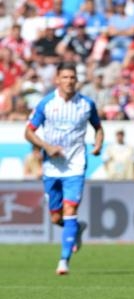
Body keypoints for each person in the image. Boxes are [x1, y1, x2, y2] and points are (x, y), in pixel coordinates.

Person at [24, 61, 104, 275]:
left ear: (76, 80)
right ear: (57, 79)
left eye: (72, 77)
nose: (69, 81)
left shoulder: (86, 104)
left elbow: (98, 128)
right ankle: (76, 229)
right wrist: (47, 147)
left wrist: (98, 144)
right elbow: (29, 132)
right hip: (51, 167)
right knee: (56, 218)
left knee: (70, 210)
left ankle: (63, 261)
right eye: (65, 77)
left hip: (76, 165)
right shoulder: (46, 104)